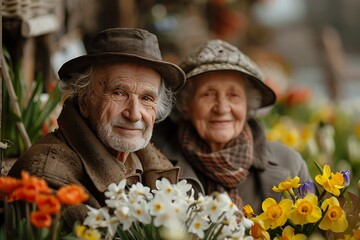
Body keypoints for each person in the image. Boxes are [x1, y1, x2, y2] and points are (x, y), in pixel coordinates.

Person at [8, 28, 186, 227]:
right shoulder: (48, 176)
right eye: (118, 93)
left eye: (147, 98)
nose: (134, 114)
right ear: (85, 100)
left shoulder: (147, 160)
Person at [152, 39, 311, 213]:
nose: (221, 108)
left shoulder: (289, 164)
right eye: (208, 94)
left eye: (233, 95)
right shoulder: (156, 167)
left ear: (248, 106)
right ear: (185, 105)